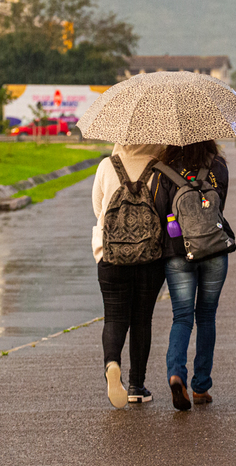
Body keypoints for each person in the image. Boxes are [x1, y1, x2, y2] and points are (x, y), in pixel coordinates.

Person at [151, 140, 234, 411]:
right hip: (213, 249)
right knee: (206, 316)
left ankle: (176, 374)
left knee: (182, 317)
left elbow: (161, 212)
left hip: (178, 253)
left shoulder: (163, 169)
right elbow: (219, 206)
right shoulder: (218, 165)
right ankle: (201, 386)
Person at [91, 143, 168, 408]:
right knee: (142, 319)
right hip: (150, 257)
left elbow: (99, 210)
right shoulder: (161, 166)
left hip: (111, 256)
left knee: (114, 317)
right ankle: (137, 386)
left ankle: (112, 362)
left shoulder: (106, 166)